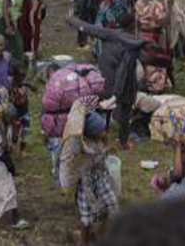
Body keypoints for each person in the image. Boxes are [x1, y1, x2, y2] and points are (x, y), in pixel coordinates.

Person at [66, 14, 146, 150]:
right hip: (124, 85)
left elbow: (88, 28)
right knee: (126, 112)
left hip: (104, 81)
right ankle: (123, 141)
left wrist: (71, 20)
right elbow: (139, 62)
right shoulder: (134, 42)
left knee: (98, 107)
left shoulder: (109, 34)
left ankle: (96, 132)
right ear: (132, 25)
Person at [59, 104, 119, 246]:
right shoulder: (81, 149)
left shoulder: (98, 142)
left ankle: (100, 236)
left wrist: (107, 150)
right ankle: (84, 242)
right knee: (87, 219)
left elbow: (99, 160)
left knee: (112, 207)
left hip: (101, 180)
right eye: (101, 129)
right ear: (92, 133)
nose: (104, 131)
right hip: (87, 186)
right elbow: (88, 165)